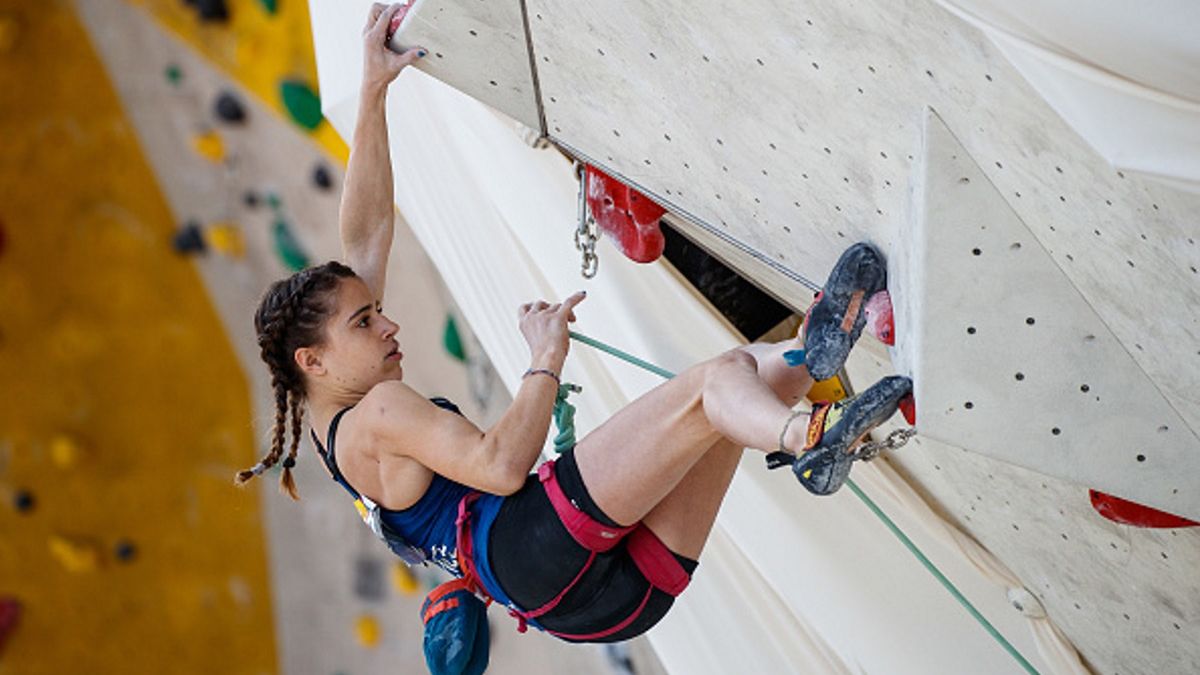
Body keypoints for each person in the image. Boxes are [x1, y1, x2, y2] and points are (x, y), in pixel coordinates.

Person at [235, 2, 912, 646]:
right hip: (536, 546)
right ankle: (808, 436)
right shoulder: (377, 409)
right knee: (719, 381)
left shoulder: (334, 434)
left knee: (738, 396)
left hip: (603, 606)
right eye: (365, 321)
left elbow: (366, 236)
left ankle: (813, 351)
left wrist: (374, 92)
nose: (387, 327)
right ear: (312, 360)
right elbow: (499, 466)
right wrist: (544, 355)